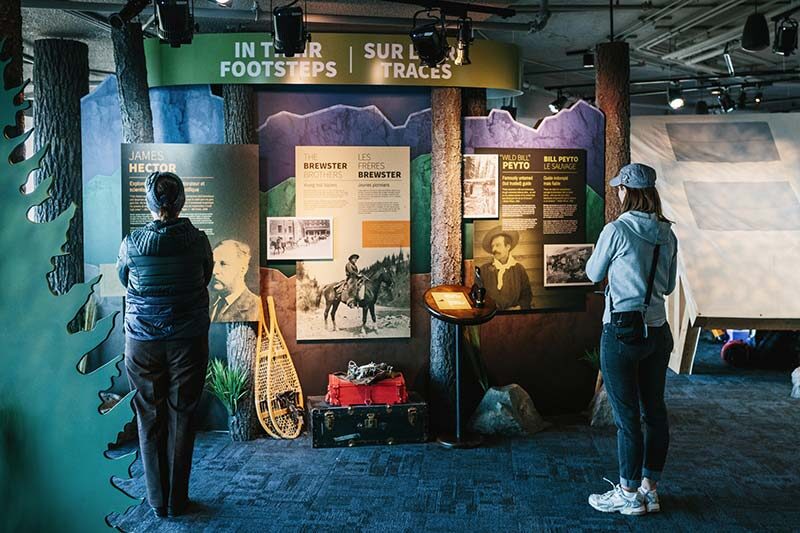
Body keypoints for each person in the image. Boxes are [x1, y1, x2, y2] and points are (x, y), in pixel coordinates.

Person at [116, 172, 213, 518]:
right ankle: (177, 500)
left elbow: (124, 279)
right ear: (181, 200)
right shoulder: (199, 240)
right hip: (187, 339)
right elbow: (206, 276)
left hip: (142, 341)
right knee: (182, 416)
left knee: (148, 416)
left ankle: (157, 502)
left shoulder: (132, 241)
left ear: (150, 203)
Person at [584, 163, 678, 516]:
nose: (618, 193)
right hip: (657, 331)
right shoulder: (667, 233)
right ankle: (649, 490)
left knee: (627, 419)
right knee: (654, 413)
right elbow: (667, 286)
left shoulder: (617, 229)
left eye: (620, 189)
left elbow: (594, 273)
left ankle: (627, 493)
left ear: (627, 191)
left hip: (622, 332)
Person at [479, 226, 532, 310]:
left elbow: (527, 295)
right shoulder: (484, 270)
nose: (494, 249)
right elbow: (479, 296)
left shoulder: (519, 269)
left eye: (498, 245)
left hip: (514, 318)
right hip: (490, 318)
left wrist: (519, 308)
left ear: (508, 246)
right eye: (492, 246)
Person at [209, 240, 261, 322]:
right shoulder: (208, 304)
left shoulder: (257, 308)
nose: (214, 271)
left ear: (242, 270)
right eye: (213, 264)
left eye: (223, 264)